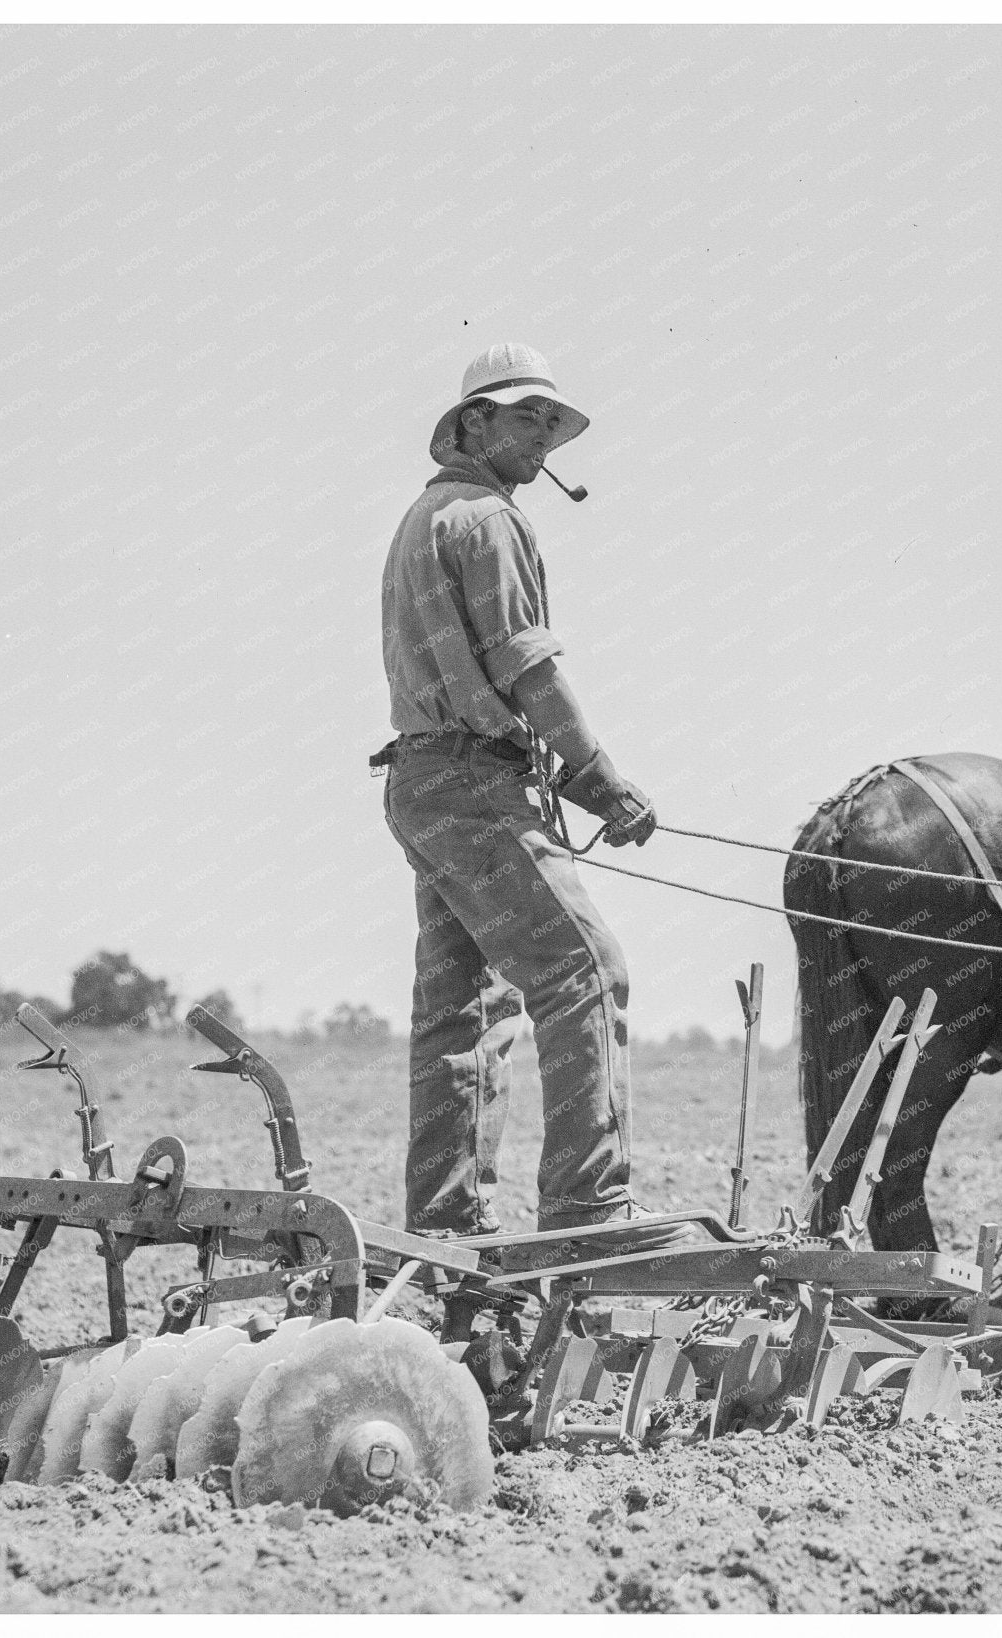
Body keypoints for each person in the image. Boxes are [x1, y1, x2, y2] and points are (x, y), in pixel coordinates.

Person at [374, 341, 705, 1272]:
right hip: (477, 785)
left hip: (424, 783)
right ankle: (588, 1210)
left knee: (462, 1009)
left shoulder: (424, 518)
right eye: (528, 418)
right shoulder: (489, 520)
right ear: (475, 421)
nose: (544, 438)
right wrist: (600, 779)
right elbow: (529, 667)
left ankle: (444, 1229)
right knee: (585, 971)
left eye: (551, 424)